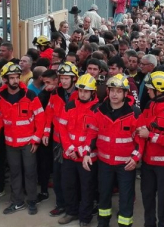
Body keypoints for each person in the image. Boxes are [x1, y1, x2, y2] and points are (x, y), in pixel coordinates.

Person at [89, 74, 141, 227]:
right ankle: (102, 223)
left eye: (119, 91)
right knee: (103, 196)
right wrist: (86, 153)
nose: (114, 94)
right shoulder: (99, 110)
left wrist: (135, 159)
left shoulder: (134, 113)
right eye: (112, 90)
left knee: (126, 198)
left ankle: (124, 224)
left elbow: (140, 141)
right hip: (104, 163)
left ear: (126, 94)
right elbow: (92, 134)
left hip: (126, 165)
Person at [0, 63, 46, 215]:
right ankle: (17, 202)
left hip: (28, 143)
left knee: (30, 172)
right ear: (5, 79)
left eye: (17, 77)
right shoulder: (0, 98)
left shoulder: (30, 96)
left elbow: (40, 118)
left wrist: (36, 139)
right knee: (15, 173)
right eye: (11, 78)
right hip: (11, 143)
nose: (15, 81)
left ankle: (31, 201)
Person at [136, 71, 164, 227]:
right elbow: (141, 124)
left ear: (159, 90)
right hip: (148, 164)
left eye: (150, 88)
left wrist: (150, 135)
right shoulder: (150, 104)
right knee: (147, 197)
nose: (147, 91)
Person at [56, 73, 99, 226]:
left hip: (87, 157)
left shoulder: (97, 109)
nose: (82, 94)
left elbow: (93, 134)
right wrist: (69, 149)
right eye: (80, 90)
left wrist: (79, 151)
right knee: (68, 185)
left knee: (87, 188)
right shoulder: (70, 105)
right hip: (69, 156)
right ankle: (71, 212)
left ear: (93, 92)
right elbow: (62, 128)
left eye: (86, 91)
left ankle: (85, 217)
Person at [39, 62, 80, 217]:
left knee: (71, 178)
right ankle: (61, 204)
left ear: (74, 78)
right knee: (57, 175)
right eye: (61, 77)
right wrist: (45, 133)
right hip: (58, 142)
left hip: (74, 142)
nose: (63, 81)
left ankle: (74, 206)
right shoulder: (55, 93)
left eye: (66, 78)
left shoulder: (81, 93)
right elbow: (49, 113)